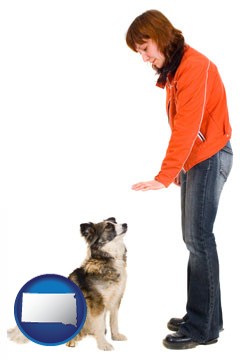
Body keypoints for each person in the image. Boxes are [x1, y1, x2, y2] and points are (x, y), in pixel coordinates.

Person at [126, 9, 233, 350]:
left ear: (160, 36)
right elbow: (185, 127)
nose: (143, 58)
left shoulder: (194, 66)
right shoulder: (175, 69)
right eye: (139, 53)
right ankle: (204, 316)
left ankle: (203, 329)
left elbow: (188, 125)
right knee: (194, 241)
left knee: (199, 240)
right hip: (196, 161)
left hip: (210, 157)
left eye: (145, 48)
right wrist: (181, 167)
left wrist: (166, 173)